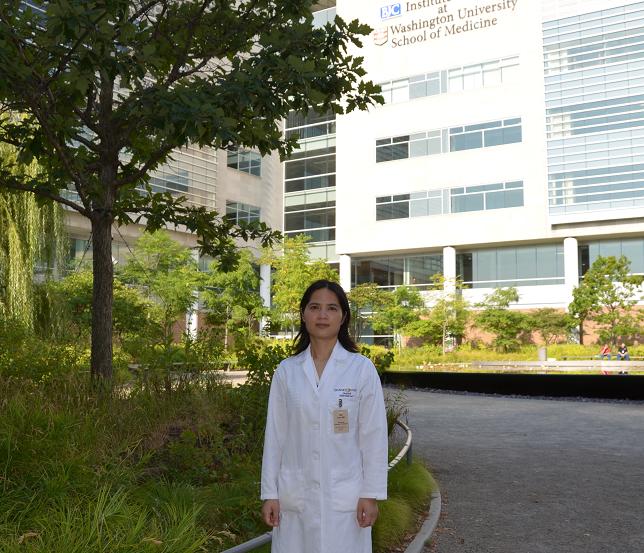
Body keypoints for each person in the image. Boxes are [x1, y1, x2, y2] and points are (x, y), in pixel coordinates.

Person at [261, 279, 388, 553]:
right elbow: (275, 436)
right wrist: (270, 493)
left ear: (343, 317)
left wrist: (370, 494)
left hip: (345, 499)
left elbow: (374, 436)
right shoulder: (287, 371)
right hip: (296, 495)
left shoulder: (361, 369)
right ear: (303, 314)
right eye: (314, 307)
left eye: (331, 308)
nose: (322, 315)